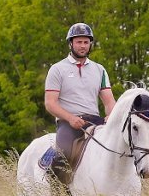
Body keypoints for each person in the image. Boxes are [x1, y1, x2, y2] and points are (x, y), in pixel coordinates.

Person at [44, 22, 116, 178]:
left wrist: (111, 116)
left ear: (90, 44)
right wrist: (70, 118)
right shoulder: (57, 69)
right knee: (63, 154)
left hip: (96, 122)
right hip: (68, 124)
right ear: (71, 43)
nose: (83, 46)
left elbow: (109, 102)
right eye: (79, 42)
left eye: (86, 42)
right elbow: (50, 103)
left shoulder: (100, 70)